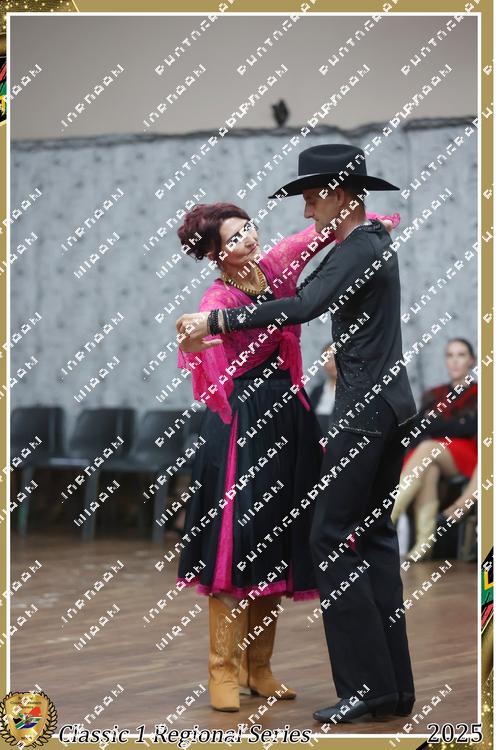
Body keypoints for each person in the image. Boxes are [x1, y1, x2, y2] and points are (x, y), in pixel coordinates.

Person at [177, 144, 418, 723]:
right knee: (371, 537)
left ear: (339, 194)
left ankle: (366, 689)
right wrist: (208, 327)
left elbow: (306, 302)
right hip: (381, 408)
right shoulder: (368, 242)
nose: (308, 211)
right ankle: (390, 689)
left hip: (362, 411)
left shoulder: (358, 248)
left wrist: (218, 320)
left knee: (329, 536)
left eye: (312, 198)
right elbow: (303, 257)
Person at [391, 338, 477, 560]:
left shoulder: (480, 392)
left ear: (472, 360)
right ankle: (424, 544)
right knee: (428, 469)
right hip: (434, 454)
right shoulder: (435, 393)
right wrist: (451, 425)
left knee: (428, 447)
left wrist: (437, 423)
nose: (455, 361)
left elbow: (471, 427)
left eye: (461, 355)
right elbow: (419, 426)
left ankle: (389, 515)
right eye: (450, 355)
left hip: (469, 454)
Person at [309, 343, 337, 428]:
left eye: (337, 358)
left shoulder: (353, 392)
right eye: (329, 359)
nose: (333, 364)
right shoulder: (317, 391)